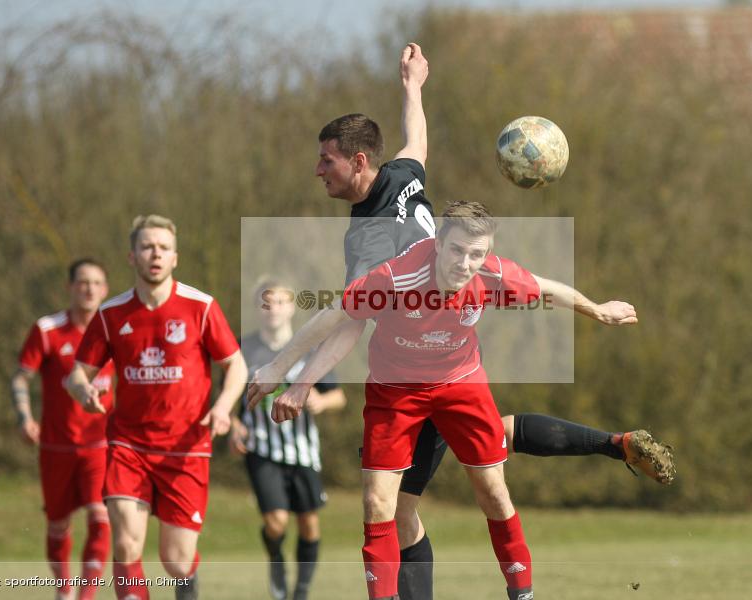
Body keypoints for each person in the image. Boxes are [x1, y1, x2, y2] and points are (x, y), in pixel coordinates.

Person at [249, 43, 675, 599]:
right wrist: (413, 87)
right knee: (477, 449)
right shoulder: (400, 177)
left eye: (325, 160)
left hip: (436, 353)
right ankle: (612, 444)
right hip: (418, 362)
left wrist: (294, 375)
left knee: (418, 502)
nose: (317, 170)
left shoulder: (376, 248)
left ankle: (604, 457)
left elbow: (349, 320)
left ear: (357, 162)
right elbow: (417, 143)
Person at [289, 200, 636, 599]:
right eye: (457, 250)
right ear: (438, 243)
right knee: (379, 504)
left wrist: (598, 311)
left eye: (477, 253)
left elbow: (546, 289)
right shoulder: (396, 275)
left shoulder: (490, 272)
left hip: (460, 384)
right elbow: (338, 316)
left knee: (493, 491)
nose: (465, 262)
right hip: (396, 390)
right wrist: (286, 374)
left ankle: (522, 594)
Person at [66, 215, 248, 600]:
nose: (155, 254)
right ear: (132, 256)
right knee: (127, 545)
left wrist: (223, 407)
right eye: (148, 247)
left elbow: (236, 365)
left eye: (163, 248)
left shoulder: (201, 307)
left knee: (176, 561)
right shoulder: (111, 314)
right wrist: (83, 391)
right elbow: (76, 375)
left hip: (187, 447)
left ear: (175, 257)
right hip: (129, 445)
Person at [229, 276, 347, 600]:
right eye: (266, 303)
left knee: (309, 524)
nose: (273, 309)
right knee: (277, 522)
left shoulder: (308, 348)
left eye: (280, 301)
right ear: (258, 309)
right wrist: (233, 424)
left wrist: (321, 402)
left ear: (292, 307)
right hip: (261, 448)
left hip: (304, 452)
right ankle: (276, 558)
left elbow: (338, 396)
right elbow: (228, 397)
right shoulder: (243, 347)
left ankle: (302, 591)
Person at [13, 258, 114, 600]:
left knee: (102, 517)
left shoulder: (116, 330)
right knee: (58, 524)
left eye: (96, 283)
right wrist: (24, 417)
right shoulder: (47, 330)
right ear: (70, 287)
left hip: (100, 445)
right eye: (82, 282)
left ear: (106, 290)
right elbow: (21, 378)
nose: (89, 289)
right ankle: (64, 590)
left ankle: (86, 595)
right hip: (56, 446)